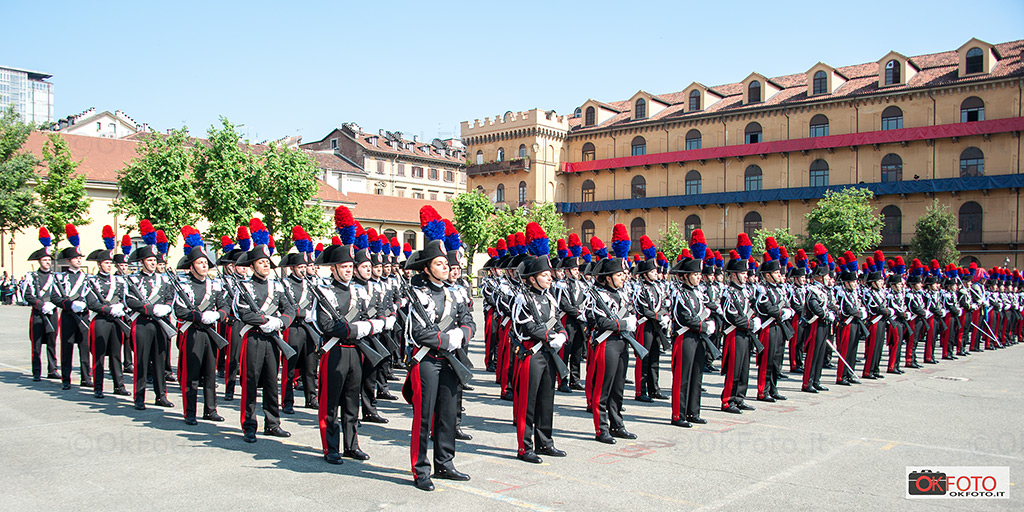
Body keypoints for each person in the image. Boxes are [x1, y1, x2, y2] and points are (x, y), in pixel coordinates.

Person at [403, 236, 475, 491]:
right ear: (426, 268)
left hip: (451, 360)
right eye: (440, 263)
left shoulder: (455, 293)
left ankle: (445, 462)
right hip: (427, 361)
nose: (446, 267)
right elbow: (417, 333)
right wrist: (447, 338)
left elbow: (469, 321)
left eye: (446, 263)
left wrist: (462, 335)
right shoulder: (417, 296)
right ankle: (420, 469)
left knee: (447, 415)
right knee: (424, 417)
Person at [510, 223, 567, 464]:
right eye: (544, 275)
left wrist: (562, 334)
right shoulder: (523, 298)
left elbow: (558, 321)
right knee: (528, 403)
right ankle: (525, 447)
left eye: (549, 274)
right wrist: (549, 336)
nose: (549, 278)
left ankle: (545, 442)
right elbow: (524, 326)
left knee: (547, 399)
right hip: (532, 355)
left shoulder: (550, 298)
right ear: (532, 278)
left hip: (549, 355)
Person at [314, 243, 376, 464]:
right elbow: (326, 326)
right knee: (330, 403)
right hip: (335, 351)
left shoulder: (359, 291)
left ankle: (351, 445)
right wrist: (355, 329)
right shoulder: (324, 292)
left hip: (356, 351)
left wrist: (369, 326)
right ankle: (330, 447)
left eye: (351, 266)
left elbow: (369, 316)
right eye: (344, 266)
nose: (349, 270)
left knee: (352, 402)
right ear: (333, 269)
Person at [232, 238, 296, 443]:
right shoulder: (245, 287)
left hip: (273, 339)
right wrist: (264, 320)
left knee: (271, 382)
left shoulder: (277, 287)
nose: (266, 264)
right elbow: (242, 312)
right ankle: (249, 425)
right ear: (252, 266)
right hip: (253, 338)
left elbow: (290, 310)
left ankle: (272, 423)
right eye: (261, 262)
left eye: (267, 261)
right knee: (250, 383)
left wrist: (279, 322)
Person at [173, 227, 228, 425]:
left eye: (205, 262)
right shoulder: (184, 285)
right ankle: (190, 411)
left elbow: (225, 306)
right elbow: (179, 311)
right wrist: (198, 316)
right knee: (192, 373)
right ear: (192, 266)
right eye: (200, 263)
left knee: (210, 372)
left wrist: (217, 315)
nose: (204, 266)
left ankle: (210, 409)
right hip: (193, 333)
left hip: (210, 332)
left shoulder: (214, 285)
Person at [586, 256, 638, 443]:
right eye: (619, 274)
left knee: (618, 388)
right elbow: (601, 322)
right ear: (608, 277)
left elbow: (631, 312)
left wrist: (629, 322)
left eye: (623, 274)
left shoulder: (623, 294)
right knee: (603, 390)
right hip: (607, 344)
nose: (623, 277)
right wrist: (625, 323)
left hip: (622, 343)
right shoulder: (598, 295)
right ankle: (602, 429)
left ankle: (617, 424)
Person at [125, 235, 175, 410]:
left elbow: (170, 297)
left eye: (155, 260)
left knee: (160, 360)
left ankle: (161, 395)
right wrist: (150, 309)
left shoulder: (164, 279)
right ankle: (139, 397)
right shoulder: (133, 280)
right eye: (150, 260)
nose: (153, 263)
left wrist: (167, 308)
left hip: (160, 322)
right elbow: (130, 300)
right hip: (142, 323)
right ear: (142, 262)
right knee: (142, 361)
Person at [668, 252, 713, 427]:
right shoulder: (681, 294)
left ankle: (694, 412)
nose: (698, 277)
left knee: (697, 376)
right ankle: (678, 415)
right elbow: (684, 317)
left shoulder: (698, 293)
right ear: (686, 276)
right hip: (685, 337)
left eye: (699, 274)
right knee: (683, 377)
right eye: (695, 274)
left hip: (698, 337)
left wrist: (707, 323)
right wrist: (704, 326)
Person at [84, 239, 130, 399]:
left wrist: (121, 308)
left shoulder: (118, 281)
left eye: (111, 263)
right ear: (99, 264)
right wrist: (108, 309)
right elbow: (91, 303)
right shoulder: (92, 282)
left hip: (116, 321)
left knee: (116, 355)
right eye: (106, 263)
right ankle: (98, 387)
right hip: (101, 321)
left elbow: (124, 300)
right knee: (99, 355)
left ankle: (119, 385)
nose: (109, 266)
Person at [720, 239, 759, 413]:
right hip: (735, 334)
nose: (746, 275)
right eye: (743, 273)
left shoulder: (744, 291)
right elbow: (732, 316)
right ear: (734, 274)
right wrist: (750, 324)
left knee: (744, 368)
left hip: (745, 333)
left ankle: (740, 397)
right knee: (734, 368)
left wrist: (752, 321)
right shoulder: (729, 292)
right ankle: (728, 400)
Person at [54, 225, 93, 390]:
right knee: (67, 348)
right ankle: (66, 379)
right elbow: (55, 297)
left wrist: (85, 304)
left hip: (83, 315)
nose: (79, 260)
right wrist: (70, 305)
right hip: (69, 316)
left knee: (85, 347)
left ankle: (86, 377)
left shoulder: (88, 278)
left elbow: (93, 295)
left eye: (80, 257)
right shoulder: (61, 278)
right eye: (76, 258)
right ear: (69, 260)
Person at [23, 228, 60, 382]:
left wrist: (52, 304)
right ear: (39, 261)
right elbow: (27, 295)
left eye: (49, 260)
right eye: (45, 260)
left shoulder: (55, 277)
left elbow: (60, 294)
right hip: (38, 313)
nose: (47, 262)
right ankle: (36, 370)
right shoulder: (32, 276)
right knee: (36, 344)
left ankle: (52, 369)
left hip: (52, 312)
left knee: (52, 342)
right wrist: (40, 304)